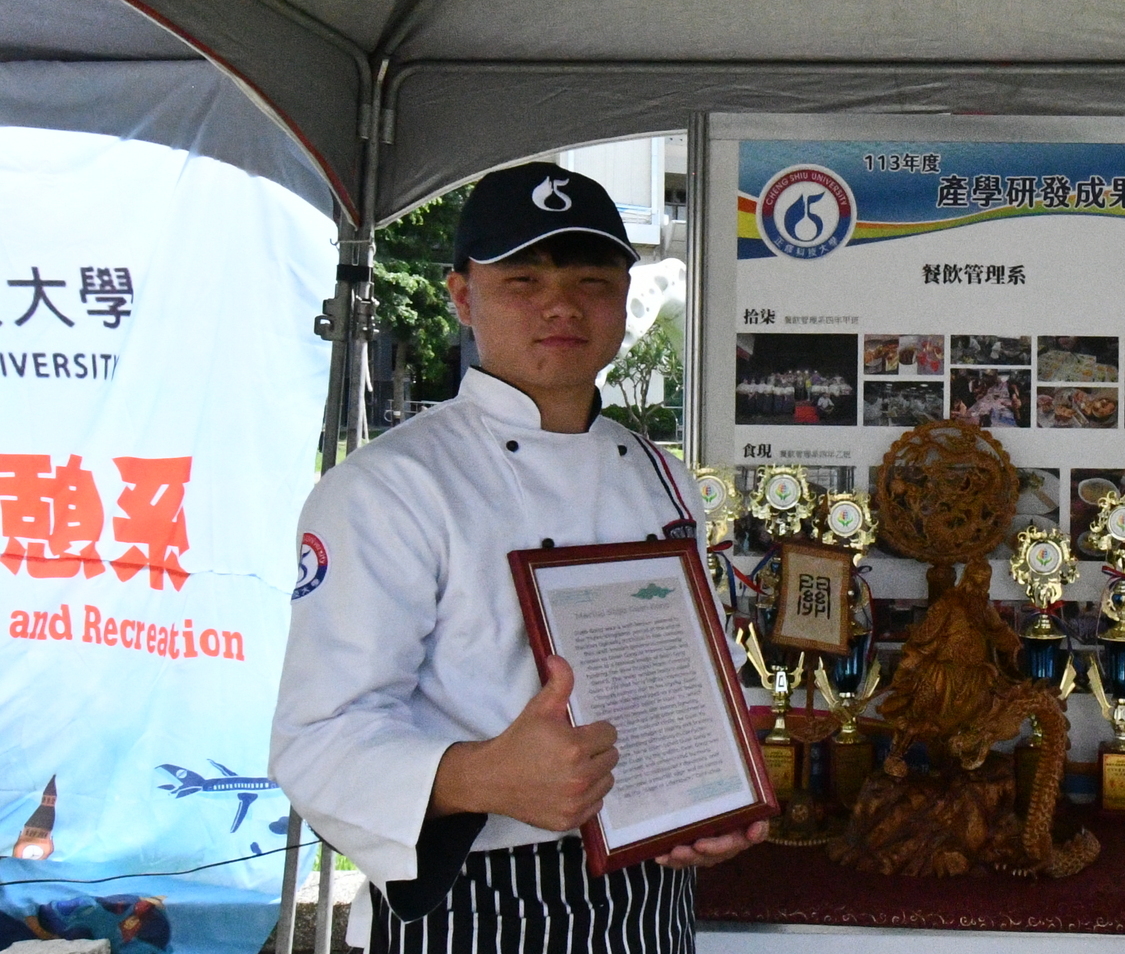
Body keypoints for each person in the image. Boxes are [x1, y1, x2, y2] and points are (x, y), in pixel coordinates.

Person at [271, 162, 765, 954]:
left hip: (649, 890)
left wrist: (717, 791)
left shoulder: (663, 475)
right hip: (474, 896)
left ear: (623, 301)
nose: (561, 304)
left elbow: (690, 674)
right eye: (523, 278)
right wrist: (481, 776)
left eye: (592, 279)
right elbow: (316, 740)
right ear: (462, 295)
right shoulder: (390, 486)